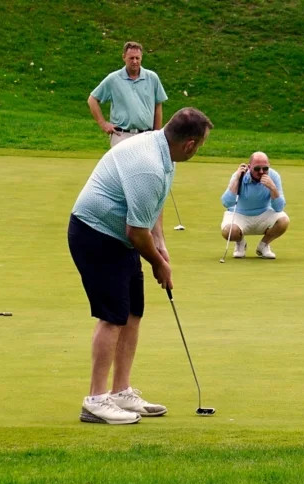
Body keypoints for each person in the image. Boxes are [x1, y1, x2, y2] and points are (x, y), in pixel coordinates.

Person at [68, 107, 213, 424]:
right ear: (189, 144)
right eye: (200, 146)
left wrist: (160, 243)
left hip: (119, 235)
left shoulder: (163, 152)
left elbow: (153, 206)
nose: (198, 151)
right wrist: (158, 264)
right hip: (96, 234)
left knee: (133, 311)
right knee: (112, 317)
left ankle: (121, 392)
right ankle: (95, 400)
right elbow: (136, 230)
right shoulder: (148, 165)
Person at [88, 41, 169, 148]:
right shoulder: (114, 79)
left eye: (137, 58)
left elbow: (158, 106)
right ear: (124, 57)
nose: (134, 61)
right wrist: (103, 124)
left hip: (146, 135)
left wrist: (156, 133)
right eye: (131, 58)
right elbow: (92, 100)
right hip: (121, 135)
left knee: (145, 165)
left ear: (141, 58)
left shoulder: (152, 78)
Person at [220, 152, 290, 259]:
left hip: (263, 214)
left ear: (269, 167)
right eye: (257, 169)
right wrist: (237, 179)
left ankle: (263, 246)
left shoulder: (274, 176)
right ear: (249, 167)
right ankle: (240, 244)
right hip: (239, 214)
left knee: (283, 220)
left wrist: (272, 188)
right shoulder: (239, 175)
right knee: (228, 231)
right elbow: (226, 202)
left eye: (265, 168)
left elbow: (279, 207)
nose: (261, 172)